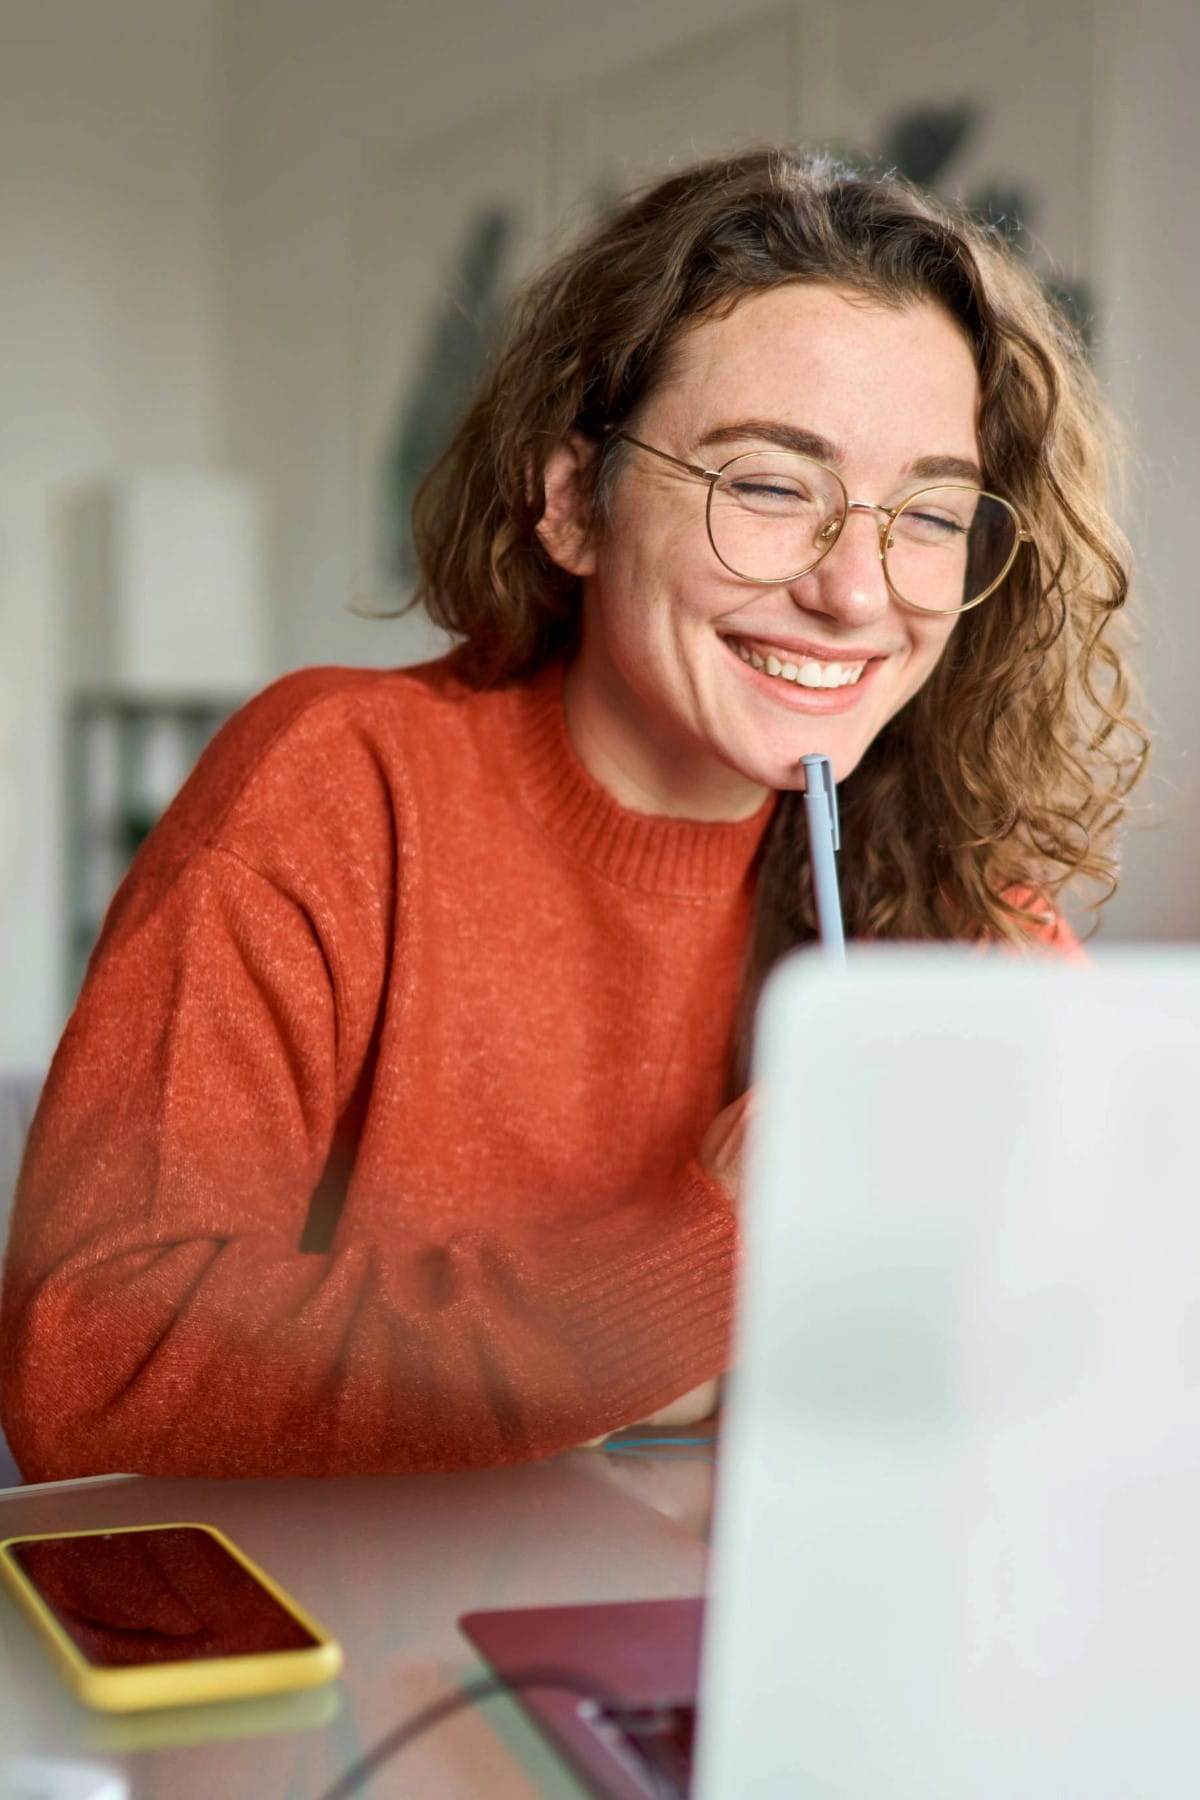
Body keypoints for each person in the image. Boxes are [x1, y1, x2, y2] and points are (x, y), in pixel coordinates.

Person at [0, 149, 1145, 1481]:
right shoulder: (334, 788)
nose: (856, 591)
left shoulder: (951, 884)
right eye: (771, 486)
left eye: (930, 514)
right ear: (570, 502)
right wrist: (702, 1258)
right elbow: (89, 1362)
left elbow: (1085, 1346)